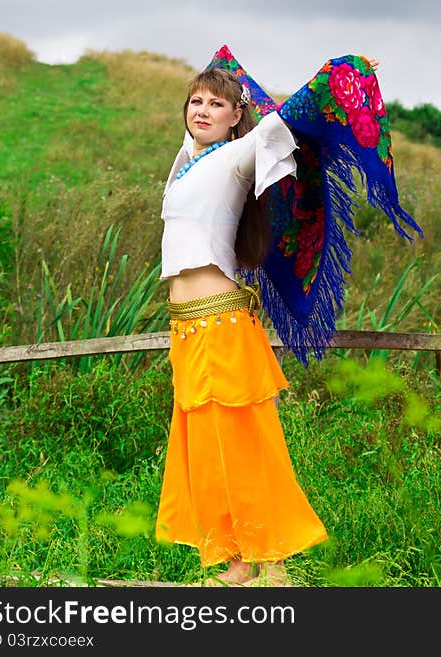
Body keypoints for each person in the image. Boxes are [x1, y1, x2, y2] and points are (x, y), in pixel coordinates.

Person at [154, 55, 381, 587]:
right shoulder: (186, 162)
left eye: (216, 103)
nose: (202, 109)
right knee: (207, 448)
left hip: (223, 326)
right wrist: (219, 76)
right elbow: (204, 117)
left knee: (246, 441)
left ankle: (273, 562)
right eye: (195, 101)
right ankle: (237, 561)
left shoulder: (239, 155)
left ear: (238, 116)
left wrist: (342, 71)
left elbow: (288, 119)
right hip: (187, 328)